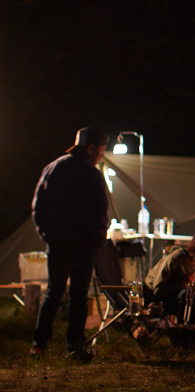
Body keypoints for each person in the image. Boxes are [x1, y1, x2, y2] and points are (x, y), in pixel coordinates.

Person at [30, 127, 110, 361]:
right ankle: (74, 347)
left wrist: (46, 234)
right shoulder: (92, 174)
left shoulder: (53, 167)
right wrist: (97, 240)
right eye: (102, 150)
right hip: (83, 245)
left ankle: (39, 345)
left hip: (57, 243)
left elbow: (38, 206)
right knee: (78, 295)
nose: (102, 155)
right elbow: (100, 212)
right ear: (91, 148)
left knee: (53, 292)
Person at [145, 232, 195, 337]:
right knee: (188, 297)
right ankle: (181, 335)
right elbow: (158, 290)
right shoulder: (176, 260)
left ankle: (193, 338)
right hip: (159, 300)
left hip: (187, 302)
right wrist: (183, 282)